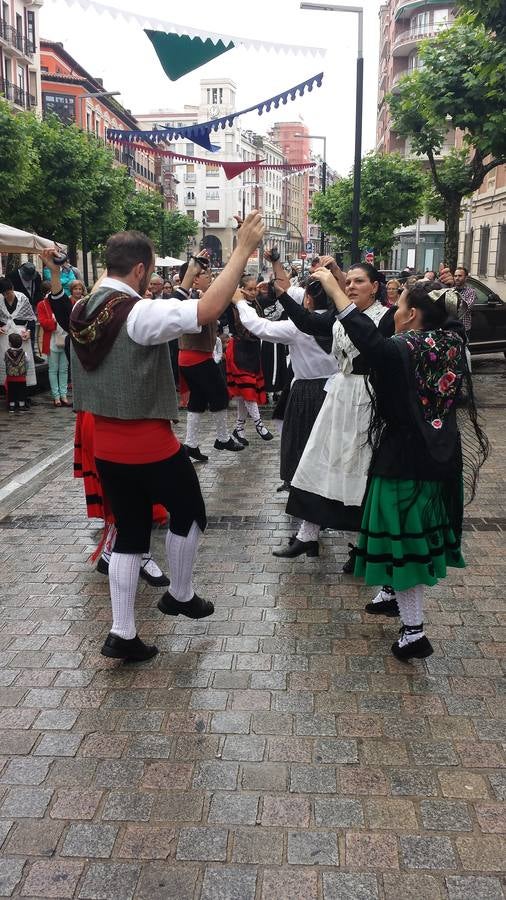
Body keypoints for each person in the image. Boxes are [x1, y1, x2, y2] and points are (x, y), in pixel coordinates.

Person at [67, 214, 264, 662]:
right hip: (149, 441)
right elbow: (207, 310)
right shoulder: (139, 314)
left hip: (107, 444)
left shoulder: (81, 309)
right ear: (139, 270)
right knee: (190, 512)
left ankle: (122, 632)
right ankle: (180, 592)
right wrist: (241, 249)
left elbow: (130, 287)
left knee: (130, 531)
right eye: (151, 270)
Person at [311, 267, 488, 659]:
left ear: (409, 316)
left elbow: (370, 343)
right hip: (441, 455)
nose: (394, 311)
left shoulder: (406, 347)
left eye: (400, 305)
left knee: (405, 542)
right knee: (406, 536)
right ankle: (392, 593)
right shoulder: (451, 341)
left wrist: (334, 289)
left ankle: (414, 633)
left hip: (407, 462)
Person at [274, 263, 396, 569]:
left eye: (360, 281)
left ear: (375, 287)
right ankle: (308, 533)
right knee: (320, 458)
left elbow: (378, 348)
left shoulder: (386, 317)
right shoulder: (339, 315)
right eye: (349, 281)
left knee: (362, 468)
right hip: (340, 392)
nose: (352, 286)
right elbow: (306, 321)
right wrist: (282, 295)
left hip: (370, 395)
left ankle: (363, 547)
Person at [230, 273, 338, 497]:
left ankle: (302, 490)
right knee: (329, 445)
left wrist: (240, 302)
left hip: (306, 390)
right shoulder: (342, 322)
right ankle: (326, 493)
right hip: (336, 390)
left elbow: (259, 326)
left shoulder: (297, 327)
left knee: (299, 442)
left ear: (308, 298)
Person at [176, 256, 243, 461]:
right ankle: (222, 438)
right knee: (220, 395)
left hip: (190, 355)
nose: (210, 278)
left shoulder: (195, 296)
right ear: (194, 279)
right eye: (206, 274)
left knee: (197, 399)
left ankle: (191, 444)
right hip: (196, 356)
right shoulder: (195, 300)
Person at [225, 275, 274, 444]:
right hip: (239, 349)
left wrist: (270, 284)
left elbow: (272, 297)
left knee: (244, 393)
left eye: (255, 289)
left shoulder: (257, 303)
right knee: (247, 390)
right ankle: (259, 425)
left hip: (252, 349)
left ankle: (239, 428)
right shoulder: (233, 304)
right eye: (250, 289)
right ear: (242, 289)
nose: (254, 292)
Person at [0, 277, 37, 393]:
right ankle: (8, 391)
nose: (8, 296)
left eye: (9, 292)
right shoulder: (0, 300)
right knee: (6, 362)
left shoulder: (22, 298)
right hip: (5, 335)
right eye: (5, 294)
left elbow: (31, 319)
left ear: (13, 288)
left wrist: (29, 332)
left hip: (21, 334)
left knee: (23, 362)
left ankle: (23, 393)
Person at [37, 292, 70, 407]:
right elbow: (43, 322)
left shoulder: (65, 303)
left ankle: (64, 395)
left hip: (65, 339)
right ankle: (56, 397)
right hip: (51, 341)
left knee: (64, 369)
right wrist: (55, 322)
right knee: (53, 369)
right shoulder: (42, 304)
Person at [9, 262, 44, 362]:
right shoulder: (12, 276)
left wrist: (37, 303)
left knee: (31, 329)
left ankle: (32, 353)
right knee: (18, 332)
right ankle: (16, 353)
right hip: (16, 308)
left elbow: (38, 290)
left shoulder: (36, 277)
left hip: (32, 305)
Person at [4, 332, 28, 412]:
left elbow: (5, 361)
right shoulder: (24, 353)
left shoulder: (6, 353)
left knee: (11, 391)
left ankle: (12, 406)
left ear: (10, 343)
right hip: (21, 377)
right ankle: (21, 405)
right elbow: (27, 361)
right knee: (21, 391)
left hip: (10, 377)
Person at [453, 266, 476, 337]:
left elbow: (465, 308)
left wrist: (451, 304)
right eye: (455, 276)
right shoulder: (450, 290)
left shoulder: (471, 292)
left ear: (466, 278)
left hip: (463, 329)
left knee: (463, 348)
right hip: (451, 328)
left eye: (460, 276)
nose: (457, 278)